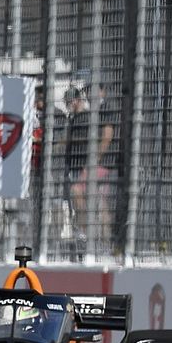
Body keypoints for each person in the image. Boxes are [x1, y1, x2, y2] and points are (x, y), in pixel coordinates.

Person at [62, 84, 115, 252]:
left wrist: (93, 162)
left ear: (102, 91)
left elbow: (106, 137)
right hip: (91, 164)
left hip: (99, 164)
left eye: (93, 90)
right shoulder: (92, 112)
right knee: (98, 202)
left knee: (81, 193)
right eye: (87, 91)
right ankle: (98, 242)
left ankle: (93, 237)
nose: (89, 94)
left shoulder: (103, 109)